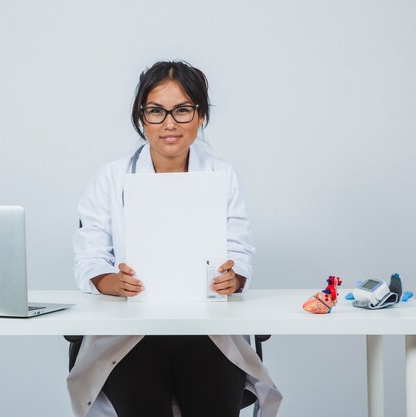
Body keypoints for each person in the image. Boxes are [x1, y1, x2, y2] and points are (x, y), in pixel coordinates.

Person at [69, 61, 282, 417]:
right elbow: (89, 257)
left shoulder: (222, 175)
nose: (169, 123)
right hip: (132, 333)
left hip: (207, 331)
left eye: (182, 110)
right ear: (141, 118)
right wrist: (113, 283)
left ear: (201, 116)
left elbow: (240, 250)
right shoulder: (109, 178)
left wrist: (234, 277)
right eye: (156, 111)